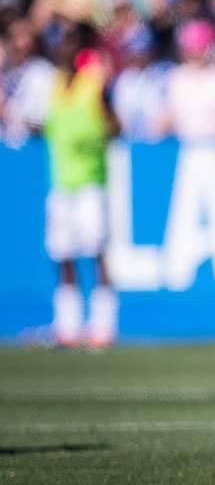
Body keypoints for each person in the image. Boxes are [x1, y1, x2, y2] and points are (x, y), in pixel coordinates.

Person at [43, 26, 120, 348]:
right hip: (61, 182)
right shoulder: (57, 86)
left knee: (96, 251)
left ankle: (103, 326)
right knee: (63, 253)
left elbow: (114, 124)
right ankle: (68, 326)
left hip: (90, 181)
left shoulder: (94, 83)